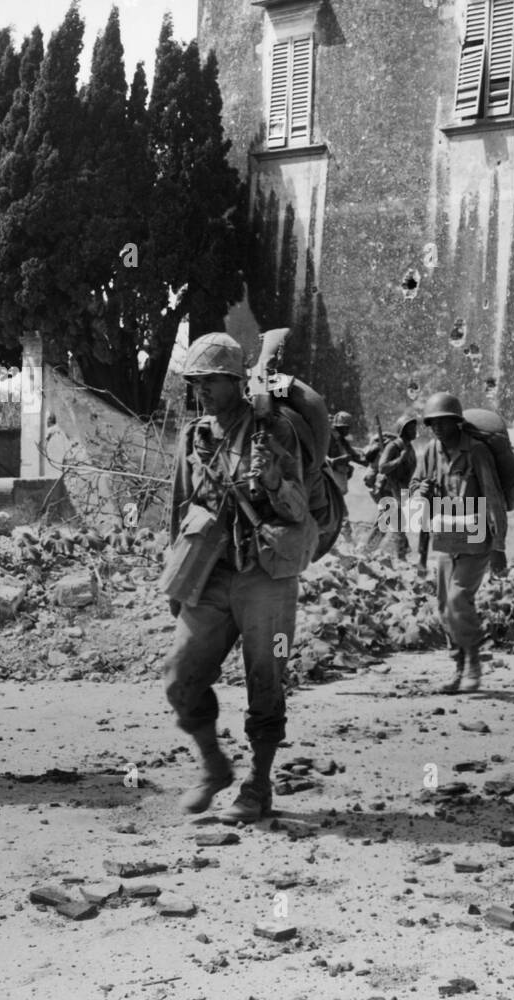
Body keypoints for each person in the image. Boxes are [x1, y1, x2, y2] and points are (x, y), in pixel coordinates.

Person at [162, 333, 315, 823]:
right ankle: (214, 768)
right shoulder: (195, 435)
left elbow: (298, 507)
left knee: (265, 680)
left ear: (235, 383)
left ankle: (258, 784)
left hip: (265, 575)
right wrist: (177, 578)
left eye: (211, 382)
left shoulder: (272, 431)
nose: (201, 391)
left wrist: (271, 478)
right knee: (180, 679)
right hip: (208, 574)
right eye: (196, 383)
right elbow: (180, 507)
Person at [409, 392, 507, 693]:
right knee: (443, 606)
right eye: (432, 423)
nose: (437, 428)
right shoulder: (430, 452)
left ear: (457, 423)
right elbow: (413, 487)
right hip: (446, 534)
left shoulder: (476, 452)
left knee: (457, 600)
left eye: (443, 422)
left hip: (477, 536)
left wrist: (499, 547)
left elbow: (494, 498)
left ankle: (475, 660)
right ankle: (459, 666)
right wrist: (419, 492)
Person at [366, 412, 418, 560]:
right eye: (411, 428)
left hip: (401, 490)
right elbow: (382, 467)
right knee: (387, 522)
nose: (414, 431)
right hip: (390, 489)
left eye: (415, 428)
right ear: (403, 430)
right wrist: (399, 460)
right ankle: (369, 551)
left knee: (394, 523)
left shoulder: (410, 447)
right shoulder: (394, 447)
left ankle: (396, 554)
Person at [326, 412, 363, 543]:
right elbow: (325, 460)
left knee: (338, 511)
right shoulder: (328, 438)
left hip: (339, 481)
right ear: (338, 427)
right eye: (345, 427)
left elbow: (354, 456)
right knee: (340, 512)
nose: (348, 430)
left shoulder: (341, 440)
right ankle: (347, 541)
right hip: (329, 480)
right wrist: (341, 460)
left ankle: (344, 539)